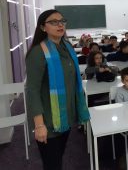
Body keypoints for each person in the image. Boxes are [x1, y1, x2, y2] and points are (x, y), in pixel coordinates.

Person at [25, 9, 90, 170]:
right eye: (53, 22)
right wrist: (39, 125)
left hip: (65, 117)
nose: (60, 25)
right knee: (52, 164)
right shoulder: (37, 53)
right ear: (43, 27)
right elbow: (32, 90)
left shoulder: (67, 47)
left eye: (62, 21)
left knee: (58, 158)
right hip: (47, 121)